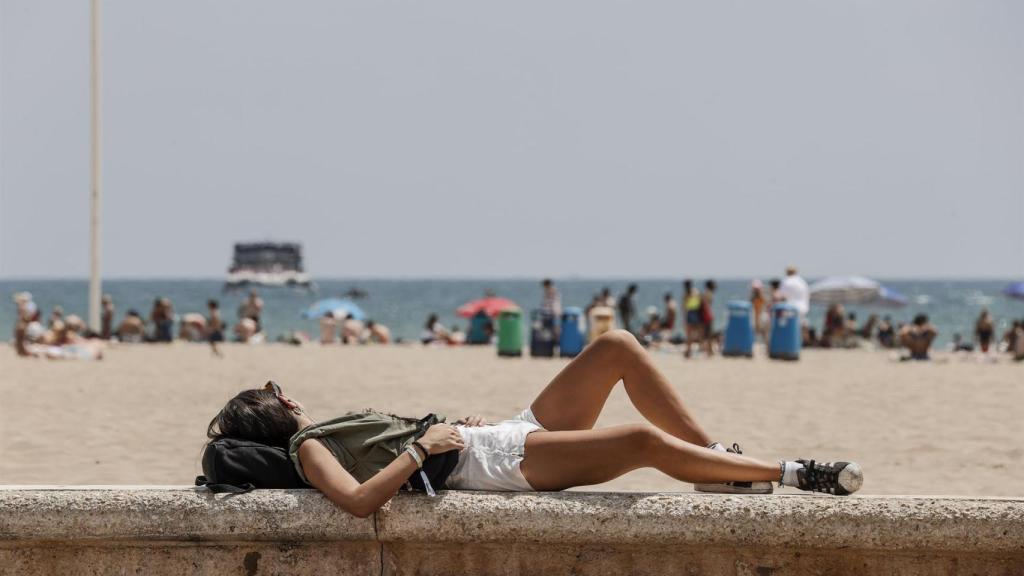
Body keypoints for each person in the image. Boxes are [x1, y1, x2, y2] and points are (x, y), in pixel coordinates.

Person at [207, 331, 863, 519]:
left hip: (496, 439)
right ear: (272, 413)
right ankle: (791, 472)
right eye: (274, 393)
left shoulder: (319, 434)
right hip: (491, 467)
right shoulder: (307, 445)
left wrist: (444, 429)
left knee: (619, 350)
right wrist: (423, 448)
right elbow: (355, 503)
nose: (286, 394)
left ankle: (713, 458)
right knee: (637, 443)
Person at [683, 280, 702, 358]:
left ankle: (688, 351)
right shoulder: (696, 292)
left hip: (690, 313)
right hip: (696, 312)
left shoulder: (686, 294)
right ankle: (700, 349)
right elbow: (700, 303)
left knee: (689, 334)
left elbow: (684, 307)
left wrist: (684, 318)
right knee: (699, 332)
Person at [701, 280, 717, 356]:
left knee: (706, 334)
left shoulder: (705, 293)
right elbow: (707, 306)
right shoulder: (709, 294)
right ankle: (709, 351)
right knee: (709, 334)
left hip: (705, 315)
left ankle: (708, 350)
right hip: (707, 316)